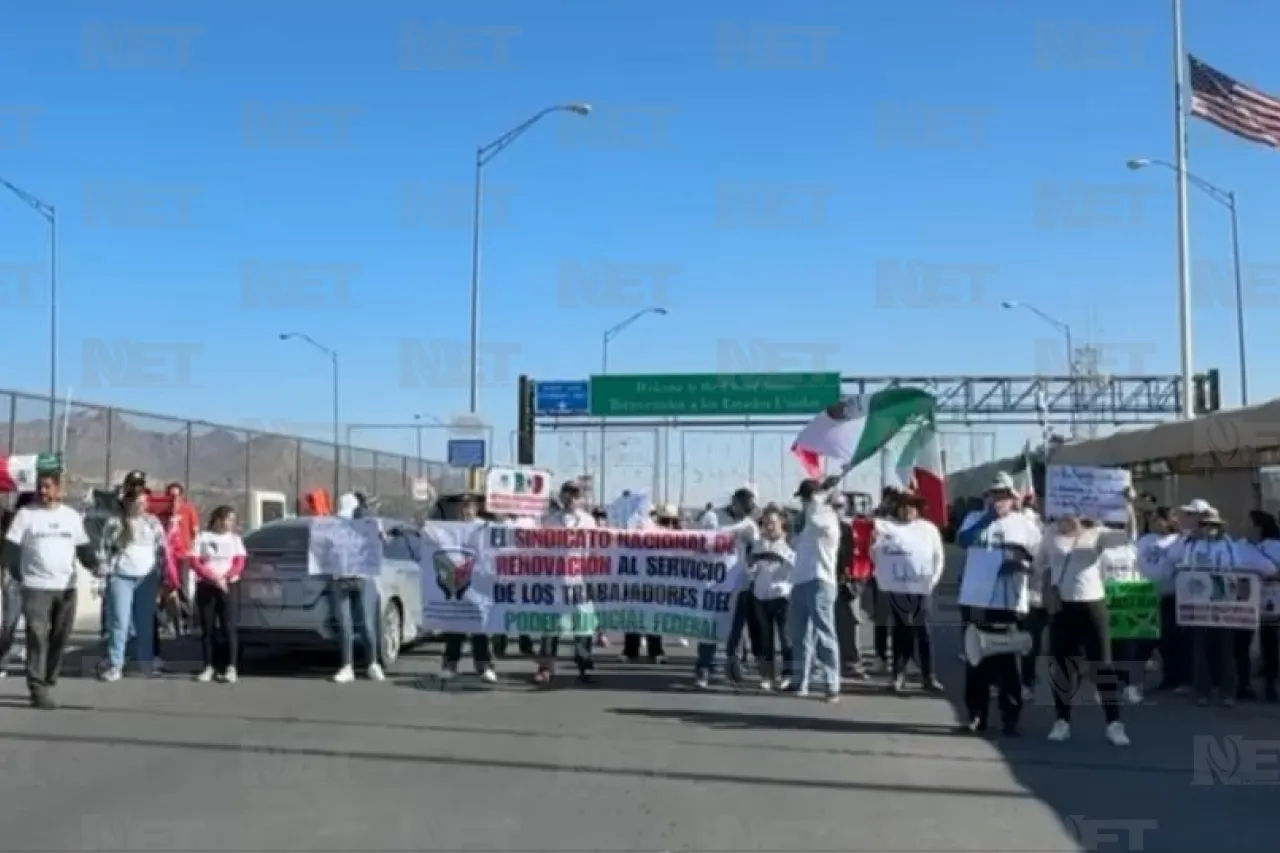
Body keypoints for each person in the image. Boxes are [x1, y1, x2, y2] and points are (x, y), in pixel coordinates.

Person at [1033, 493, 1135, 747]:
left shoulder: (1096, 533)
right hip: (1062, 608)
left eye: (1072, 510)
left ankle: (1114, 724)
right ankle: (1062, 722)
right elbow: (1040, 565)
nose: (1067, 515)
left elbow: (1129, 536)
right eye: (1063, 509)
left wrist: (1128, 505)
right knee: (1063, 667)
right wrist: (1047, 588)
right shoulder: (1050, 533)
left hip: (1092, 605)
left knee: (1103, 665)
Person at [1, 470, 100, 709]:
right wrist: (11, 571)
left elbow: (83, 549)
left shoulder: (71, 517)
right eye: (40, 487)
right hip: (35, 586)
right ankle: (37, 687)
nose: (43, 492)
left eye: (48, 487)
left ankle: (47, 676)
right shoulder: (26, 515)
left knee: (60, 636)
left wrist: (95, 565)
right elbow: (10, 548)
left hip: (66, 587)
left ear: (60, 489)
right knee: (37, 636)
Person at [1162, 504, 1275, 706]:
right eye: (1205, 525)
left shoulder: (1228, 545)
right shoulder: (1192, 544)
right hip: (1198, 604)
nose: (1209, 529)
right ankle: (1202, 691)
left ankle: (1227, 692)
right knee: (1200, 649)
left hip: (1223, 605)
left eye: (1213, 525)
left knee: (1225, 649)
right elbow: (1179, 562)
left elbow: (1236, 568)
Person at [956, 472, 1042, 736]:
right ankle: (976, 714)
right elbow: (963, 541)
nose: (998, 500)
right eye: (994, 495)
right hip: (976, 598)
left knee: (1007, 661)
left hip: (1009, 601)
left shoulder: (1025, 525)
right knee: (976, 658)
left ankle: (1010, 716)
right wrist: (987, 519)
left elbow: (1040, 560)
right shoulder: (974, 519)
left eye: (1003, 495)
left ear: (1013, 499)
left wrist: (1021, 564)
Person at [872, 488, 945, 694]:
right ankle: (898, 674)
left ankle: (928, 676)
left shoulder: (929, 529)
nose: (908, 511)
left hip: (922, 587)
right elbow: (875, 552)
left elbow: (938, 556)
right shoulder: (887, 527)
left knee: (924, 632)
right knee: (901, 630)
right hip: (897, 588)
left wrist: (933, 580)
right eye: (904, 507)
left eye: (912, 507)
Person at [98, 488, 172, 681]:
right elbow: (104, 550)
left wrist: (164, 576)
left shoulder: (153, 523)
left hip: (146, 579)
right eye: (137, 502)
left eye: (144, 502)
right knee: (119, 622)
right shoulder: (115, 523)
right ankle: (115, 665)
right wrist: (102, 577)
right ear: (127, 503)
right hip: (121, 577)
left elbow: (163, 551)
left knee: (145, 623)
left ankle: (146, 663)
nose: (141, 506)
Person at [694, 488, 760, 688]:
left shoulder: (749, 524)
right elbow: (705, 539)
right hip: (713, 582)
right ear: (734, 502)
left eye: (747, 510)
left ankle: (735, 666)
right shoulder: (714, 517)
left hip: (738, 583)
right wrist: (739, 527)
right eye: (742, 507)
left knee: (736, 629)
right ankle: (704, 667)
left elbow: (755, 548)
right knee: (710, 627)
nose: (743, 512)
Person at [787, 476, 844, 702]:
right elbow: (794, 542)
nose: (803, 502)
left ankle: (832, 684)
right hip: (800, 581)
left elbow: (815, 519)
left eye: (805, 497)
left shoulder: (826, 517)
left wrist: (818, 497)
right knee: (800, 636)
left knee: (825, 634)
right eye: (803, 499)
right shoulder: (805, 519)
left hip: (821, 581)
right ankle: (800, 680)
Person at [535, 481, 596, 685]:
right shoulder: (550, 520)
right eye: (568, 493)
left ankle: (584, 665)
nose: (571, 498)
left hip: (580, 580)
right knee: (551, 625)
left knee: (584, 624)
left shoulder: (589, 522)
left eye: (576, 494)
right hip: (555, 579)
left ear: (581, 498)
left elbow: (597, 551)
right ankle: (545, 667)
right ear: (561, 496)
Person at [327, 501, 385, 685]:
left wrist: (378, 534)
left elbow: (380, 545)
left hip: (362, 578)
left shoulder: (368, 527)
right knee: (345, 624)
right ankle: (347, 666)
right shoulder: (335, 530)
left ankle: (372, 663)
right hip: (340, 578)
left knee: (367, 624)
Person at [441, 494, 497, 683]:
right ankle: (450, 664)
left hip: (479, 580)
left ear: (475, 508)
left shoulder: (484, 527)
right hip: (456, 581)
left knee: (479, 625)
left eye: (469, 506)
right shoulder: (450, 528)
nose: (465, 511)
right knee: (455, 623)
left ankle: (484, 666)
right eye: (462, 507)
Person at [188, 505, 247, 683]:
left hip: (229, 587)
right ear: (218, 520)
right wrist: (213, 578)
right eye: (228, 519)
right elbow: (194, 561)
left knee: (229, 627)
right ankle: (208, 666)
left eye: (232, 520)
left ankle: (231, 667)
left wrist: (226, 577)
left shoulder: (235, 539)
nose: (230, 524)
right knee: (208, 629)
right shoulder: (202, 537)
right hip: (207, 586)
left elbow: (240, 562)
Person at [1139, 506, 1186, 693]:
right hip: (1145, 596)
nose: (1156, 523)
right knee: (1144, 640)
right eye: (1154, 519)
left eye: (1160, 519)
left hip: (1169, 597)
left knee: (1169, 640)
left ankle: (1173, 678)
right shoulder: (1145, 540)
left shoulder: (1178, 542)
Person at [623, 504, 677, 663]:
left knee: (654, 618)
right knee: (634, 617)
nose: (670, 524)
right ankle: (630, 650)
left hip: (657, 583)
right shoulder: (644, 529)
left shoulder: (676, 535)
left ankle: (656, 651)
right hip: (637, 581)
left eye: (672, 521)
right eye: (666, 520)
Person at [751, 505, 794, 691]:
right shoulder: (759, 544)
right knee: (765, 639)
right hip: (761, 596)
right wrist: (751, 565)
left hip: (782, 596)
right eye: (766, 523)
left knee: (786, 638)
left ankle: (788, 673)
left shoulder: (791, 543)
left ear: (782, 523)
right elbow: (752, 571)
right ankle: (767, 674)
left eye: (773, 523)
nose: (769, 527)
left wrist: (782, 558)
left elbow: (796, 568)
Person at [0, 493, 37, 677]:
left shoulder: (37, 526)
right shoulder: (10, 526)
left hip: (35, 581)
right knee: (10, 624)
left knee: (35, 625)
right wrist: (5, 572)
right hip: (14, 580)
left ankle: (33, 663)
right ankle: (2, 661)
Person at [1246, 510, 1280, 702]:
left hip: (1269, 603)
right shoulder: (1253, 547)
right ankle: (1269, 685)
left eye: (1249, 523)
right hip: (1263, 604)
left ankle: (1270, 685)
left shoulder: (1272, 547)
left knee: (1270, 645)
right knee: (1270, 645)